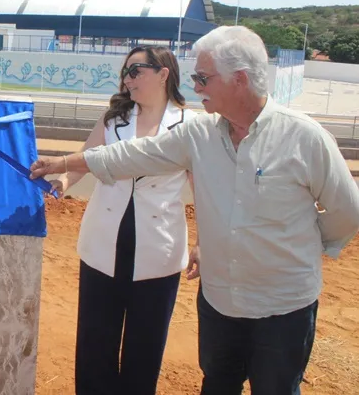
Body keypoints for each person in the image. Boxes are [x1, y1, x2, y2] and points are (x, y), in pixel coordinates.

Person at [30, 25, 359, 395]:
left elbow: (347, 210)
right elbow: (132, 155)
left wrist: (299, 249)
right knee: (217, 384)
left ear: (239, 80)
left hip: (281, 305)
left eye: (204, 78)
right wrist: (62, 164)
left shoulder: (304, 137)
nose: (197, 86)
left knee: (275, 387)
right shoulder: (200, 135)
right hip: (220, 302)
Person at [49, 46, 193, 394]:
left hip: (159, 251)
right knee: (95, 343)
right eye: (125, 72)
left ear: (163, 74)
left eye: (135, 71)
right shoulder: (114, 119)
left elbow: (202, 188)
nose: (127, 79)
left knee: (145, 348)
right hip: (103, 245)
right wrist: (60, 182)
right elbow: (85, 160)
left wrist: (204, 243)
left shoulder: (192, 125)